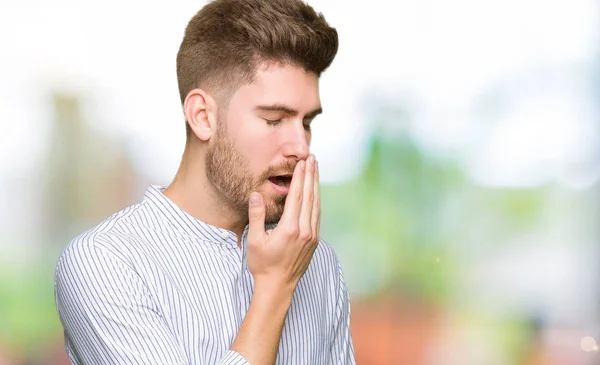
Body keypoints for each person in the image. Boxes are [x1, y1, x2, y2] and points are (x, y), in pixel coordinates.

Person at [54, 0, 355, 364]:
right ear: (202, 117)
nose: (300, 148)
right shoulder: (106, 263)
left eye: (306, 123)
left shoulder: (318, 264)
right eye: (275, 119)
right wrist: (275, 287)